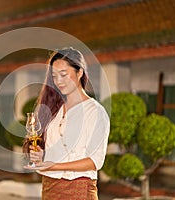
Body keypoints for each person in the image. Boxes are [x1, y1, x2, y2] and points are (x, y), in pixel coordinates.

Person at [23, 47, 110, 199]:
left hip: (78, 189)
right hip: (49, 186)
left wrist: (54, 165)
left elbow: (95, 161)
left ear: (80, 72)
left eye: (63, 74)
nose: (58, 81)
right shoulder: (54, 110)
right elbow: (60, 151)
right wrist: (43, 156)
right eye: (54, 76)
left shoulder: (94, 111)